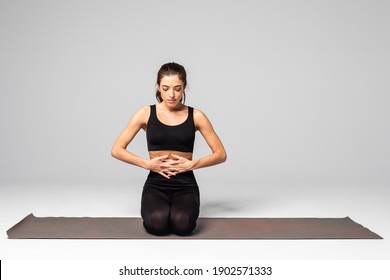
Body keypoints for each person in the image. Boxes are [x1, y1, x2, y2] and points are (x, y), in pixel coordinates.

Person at [111, 62, 227, 236]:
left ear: (184, 88)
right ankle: (160, 211)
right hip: (156, 183)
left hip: (185, 184)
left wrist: (192, 165)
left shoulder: (196, 115)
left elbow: (221, 154)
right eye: (165, 88)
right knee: (157, 224)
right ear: (158, 87)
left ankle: (178, 211)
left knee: (183, 225)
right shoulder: (145, 113)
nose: (171, 94)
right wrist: (147, 164)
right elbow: (117, 149)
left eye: (177, 88)